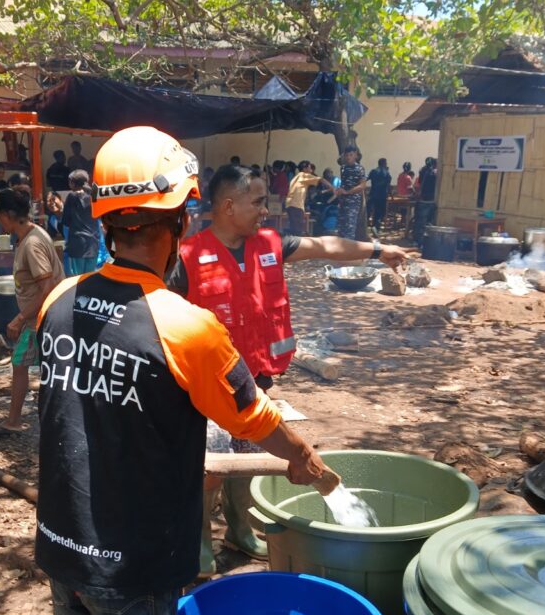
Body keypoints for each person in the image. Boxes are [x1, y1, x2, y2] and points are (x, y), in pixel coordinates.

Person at [35, 126, 340, 615]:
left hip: (63, 548)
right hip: (131, 562)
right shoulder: (185, 326)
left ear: (107, 219)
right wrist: (301, 454)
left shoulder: (59, 300)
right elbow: (250, 415)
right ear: (178, 219)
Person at [169, 163, 416, 572]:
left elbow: (324, 246)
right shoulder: (188, 257)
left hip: (256, 383)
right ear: (229, 206)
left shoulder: (270, 243)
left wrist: (376, 251)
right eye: (258, 201)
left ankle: (239, 531)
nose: (266, 210)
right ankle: (199, 543)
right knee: (210, 467)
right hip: (208, 388)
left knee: (247, 458)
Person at [0, 188, 64, 434]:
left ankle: (16, 420)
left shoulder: (32, 243)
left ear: (8, 215)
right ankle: (47, 416)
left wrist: (20, 317)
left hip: (39, 318)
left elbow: (48, 286)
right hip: (43, 316)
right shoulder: (33, 234)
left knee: (21, 363)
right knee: (37, 366)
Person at [57, 169, 100, 276]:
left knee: (77, 279)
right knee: (90, 278)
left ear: (72, 182)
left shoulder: (72, 196)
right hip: (93, 243)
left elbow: (66, 221)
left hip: (77, 244)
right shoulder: (94, 195)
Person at [285, 160, 333, 236]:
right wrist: (332, 187)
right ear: (305, 169)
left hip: (290, 205)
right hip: (296, 205)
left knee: (294, 228)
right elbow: (320, 179)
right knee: (297, 230)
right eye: (310, 168)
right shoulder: (304, 175)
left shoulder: (296, 177)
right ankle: (297, 246)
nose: (311, 171)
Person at [337, 145, 367, 240]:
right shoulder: (343, 168)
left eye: (351, 155)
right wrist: (340, 192)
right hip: (343, 202)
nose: (348, 157)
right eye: (346, 155)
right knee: (341, 227)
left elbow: (362, 186)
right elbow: (343, 183)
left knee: (350, 228)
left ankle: (349, 251)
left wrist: (347, 192)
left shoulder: (360, 169)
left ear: (356, 156)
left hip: (353, 203)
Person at [367, 158, 392, 235]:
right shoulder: (386, 173)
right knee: (380, 213)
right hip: (382, 195)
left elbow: (366, 178)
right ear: (384, 163)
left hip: (373, 194)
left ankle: (370, 226)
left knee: (370, 211)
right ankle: (376, 228)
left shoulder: (373, 171)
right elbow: (389, 183)